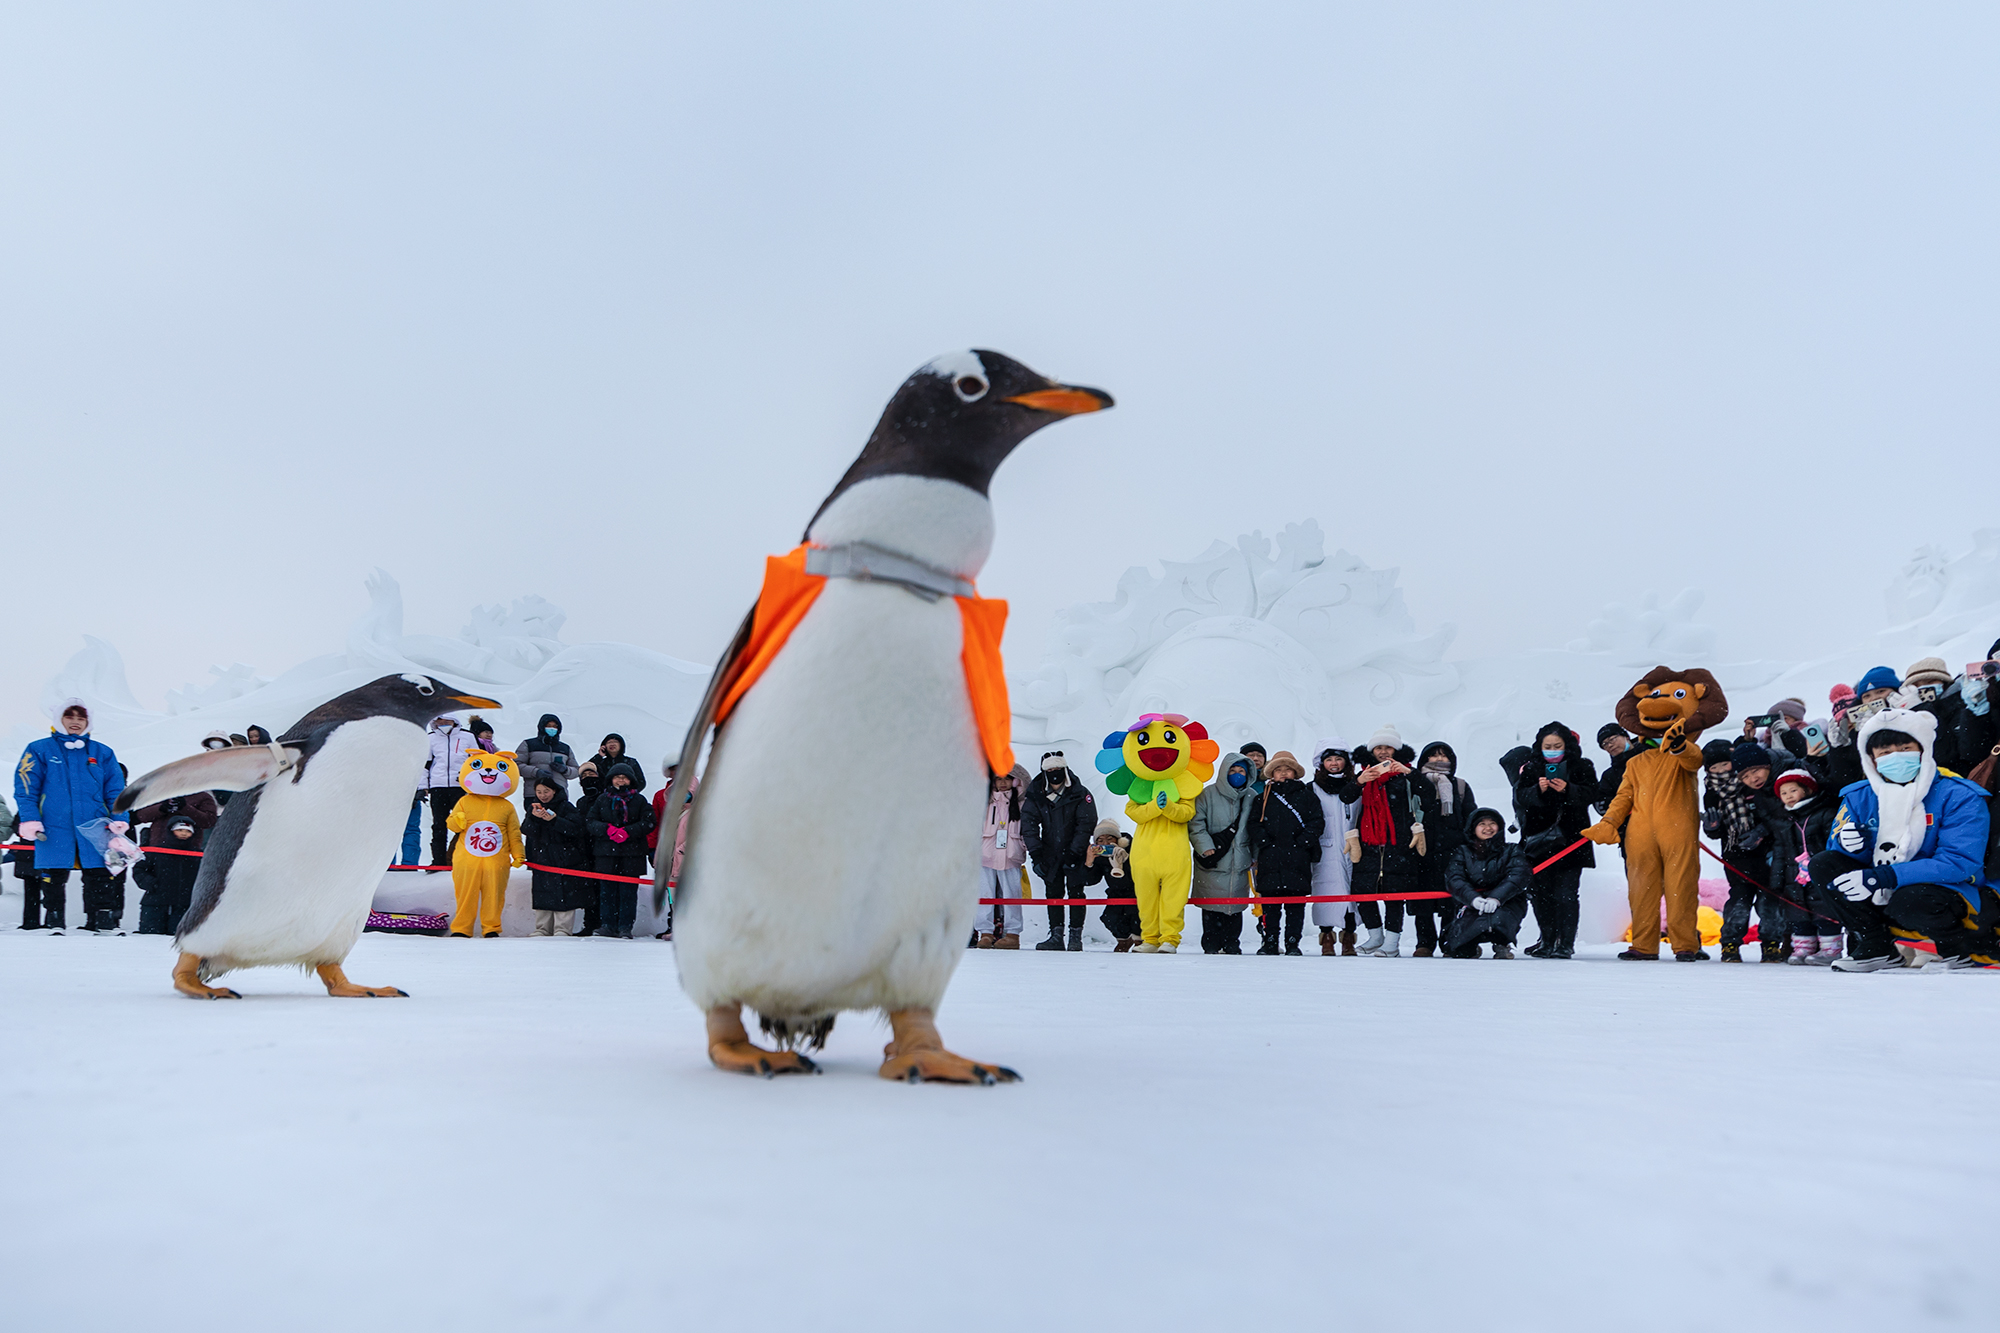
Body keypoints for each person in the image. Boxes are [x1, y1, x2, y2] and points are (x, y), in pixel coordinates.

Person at [1812, 709, 1995, 971]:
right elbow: (1839, 855)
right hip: (1884, 885)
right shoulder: (1859, 797)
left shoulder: (1958, 795)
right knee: (1824, 864)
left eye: (1905, 747)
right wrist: (1853, 845)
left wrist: (1885, 876)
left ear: (1923, 749)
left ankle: (1956, 948)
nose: (1896, 757)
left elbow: (1959, 861)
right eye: (1885, 753)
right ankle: (1876, 945)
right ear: (1871, 759)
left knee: (1909, 898)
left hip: (1947, 889)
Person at [13, 699, 128, 932]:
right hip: (54, 824)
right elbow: (26, 787)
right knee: (54, 873)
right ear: (59, 720)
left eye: (81, 718)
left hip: (95, 824)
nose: (75, 722)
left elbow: (116, 790)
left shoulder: (102, 752)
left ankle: (101, 921)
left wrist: (120, 818)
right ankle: (55, 920)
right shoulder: (39, 749)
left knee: (99, 872)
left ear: (88, 721)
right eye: (69, 717)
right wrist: (30, 818)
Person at [1512, 723, 1597, 960]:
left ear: (1567, 745)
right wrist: (1537, 791)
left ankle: (1565, 943)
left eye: (1556, 746)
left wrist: (1569, 790)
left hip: (1571, 842)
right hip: (1538, 843)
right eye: (1547, 746)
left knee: (1567, 894)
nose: (1551, 750)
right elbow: (1520, 797)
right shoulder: (1531, 768)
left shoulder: (1582, 766)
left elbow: (1592, 793)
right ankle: (1547, 940)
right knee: (1540, 894)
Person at [1339, 724, 1425, 957]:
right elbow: (1345, 797)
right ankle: (1376, 936)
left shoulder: (1406, 774)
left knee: (1394, 895)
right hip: (1368, 843)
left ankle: (1392, 942)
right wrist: (1360, 781)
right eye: (1379, 748)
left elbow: (1426, 793)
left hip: (1398, 842)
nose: (1384, 752)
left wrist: (1409, 773)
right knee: (1364, 891)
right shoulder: (1365, 773)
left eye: (1388, 747)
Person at [1705, 740, 1790, 962]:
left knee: (1769, 901)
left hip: (1768, 853)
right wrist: (1712, 827)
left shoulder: (1753, 783)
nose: (1722, 771)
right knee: (1739, 902)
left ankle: (1772, 943)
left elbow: (1775, 815)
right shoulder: (1712, 793)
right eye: (1714, 768)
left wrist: (1761, 832)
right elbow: (1716, 832)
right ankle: (1730, 944)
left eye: (1725, 765)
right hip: (1736, 855)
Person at [1248, 751, 1323, 955]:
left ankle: (1292, 943)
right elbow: (1253, 823)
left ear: (1295, 772)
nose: (1283, 773)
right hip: (1270, 858)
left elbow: (1317, 822)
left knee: (1295, 905)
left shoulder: (1307, 796)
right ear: (1272, 772)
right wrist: (1264, 841)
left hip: (1298, 857)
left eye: (1287, 769)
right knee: (1270, 905)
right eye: (1278, 769)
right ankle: (1270, 941)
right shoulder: (1262, 797)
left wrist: (1302, 842)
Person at [444, 752, 526, 938]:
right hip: (467, 858)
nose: (488, 771)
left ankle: (491, 927)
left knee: (494, 895)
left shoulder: (507, 806)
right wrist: (458, 819)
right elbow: (452, 825)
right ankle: (461, 928)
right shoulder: (465, 801)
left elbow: (514, 833)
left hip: (496, 859)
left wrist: (518, 854)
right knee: (465, 894)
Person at [1020, 752, 1096, 952]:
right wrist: (1036, 854)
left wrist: (1075, 851)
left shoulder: (1080, 793)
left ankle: (1075, 936)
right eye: (1050, 771)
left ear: (1065, 770)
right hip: (1048, 853)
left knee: (1076, 893)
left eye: (1057, 770)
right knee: (1053, 893)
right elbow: (1028, 825)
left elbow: (1086, 823)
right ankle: (1055, 936)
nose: (1054, 774)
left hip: (1075, 852)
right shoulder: (1036, 793)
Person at [1410, 741, 1478, 957]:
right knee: (1422, 900)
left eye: (1444, 756)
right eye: (1433, 755)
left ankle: (1449, 942)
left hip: (1453, 852)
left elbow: (1471, 818)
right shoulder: (1413, 783)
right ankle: (1425, 943)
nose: (1439, 759)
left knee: (1452, 900)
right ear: (1424, 759)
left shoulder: (1459, 786)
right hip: (1420, 850)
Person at [1771, 769, 1845, 964]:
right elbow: (1779, 850)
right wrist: (1777, 878)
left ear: (1807, 790)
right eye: (1784, 793)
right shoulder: (1785, 820)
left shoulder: (1823, 814)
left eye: (1793, 791)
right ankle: (1803, 947)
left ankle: (1831, 949)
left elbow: (1834, 842)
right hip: (1794, 875)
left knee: (1824, 909)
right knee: (1797, 911)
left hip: (1819, 871)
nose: (1788, 797)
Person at [1191, 752, 1257, 954]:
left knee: (1235, 907)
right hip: (1214, 858)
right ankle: (1210, 943)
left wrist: (1255, 856)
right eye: (1232, 771)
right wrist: (1205, 846)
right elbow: (1196, 824)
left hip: (1240, 860)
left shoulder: (1251, 797)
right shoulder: (1207, 794)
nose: (1237, 775)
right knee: (1211, 906)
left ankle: (1231, 943)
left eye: (1241, 771)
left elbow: (1256, 828)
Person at [1442, 808, 1530, 959]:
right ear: (1473, 828)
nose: (1488, 828)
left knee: (1499, 920)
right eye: (1482, 824)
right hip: (1472, 902)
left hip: (1506, 902)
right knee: (1459, 949)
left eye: (1492, 823)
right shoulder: (1462, 852)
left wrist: (1496, 898)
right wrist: (1473, 899)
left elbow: (1518, 876)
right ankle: (1471, 946)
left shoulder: (1512, 850)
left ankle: (1502, 943)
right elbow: (1455, 879)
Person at [585, 761, 655, 938]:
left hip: (632, 854)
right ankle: (607, 925)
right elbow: (591, 821)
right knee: (606, 891)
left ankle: (625, 927)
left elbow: (649, 822)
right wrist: (607, 829)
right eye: (617, 777)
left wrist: (628, 832)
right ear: (611, 779)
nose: (621, 781)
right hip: (606, 854)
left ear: (631, 780)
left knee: (628, 893)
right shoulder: (602, 799)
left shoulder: (639, 800)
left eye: (624, 777)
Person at [522, 770, 590, 936]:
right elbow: (526, 830)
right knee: (542, 893)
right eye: (539, 792)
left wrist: (555, 820)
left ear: (554, 791)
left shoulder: (567, 807)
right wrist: (535, 818)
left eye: (546, 791)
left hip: (564, 858)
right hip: (541, 858)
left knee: (565, 894)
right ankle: (542, 928)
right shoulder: (534, 808)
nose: (543, 795)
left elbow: (577, 829)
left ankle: (562, 929)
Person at [1309, 744, 1357, 955]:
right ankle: (1326, 936)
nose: (1334, 764)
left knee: (1351, 895)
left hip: (1352, 847)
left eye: (1338, 759)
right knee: (1326, 892)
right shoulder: (1312, 788)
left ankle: (1349, 937)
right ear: (1322, 763)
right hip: (1324, 848)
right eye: (1329, 760)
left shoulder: (1356, 786)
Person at [981, 764, 1031, 950]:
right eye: (999, 779)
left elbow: (1028, 830)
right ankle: (985, 933)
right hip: (985, 854)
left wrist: (1026, 847)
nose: (1003, 783)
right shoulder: (984, 802)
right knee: (984, 894)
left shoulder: (1022, 804)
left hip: (1012, 854)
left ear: (1015, 780)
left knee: (1012, 895)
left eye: (1007, 779)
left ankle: (1012, 934)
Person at [422, 713, 479, 869]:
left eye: (447, 721)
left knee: (463, 824)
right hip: (438, 785)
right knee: (439, 825)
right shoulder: (430, 738)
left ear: (454, 721)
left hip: (460, 787)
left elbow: (475, 762)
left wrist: (472, 783)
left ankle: (460, 858)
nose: (444, 724)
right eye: (440, 721)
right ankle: (438, 861)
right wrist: (423, 786)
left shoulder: (467, 737)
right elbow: (425, 764)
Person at [132, 816, 203, 935]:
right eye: (180, 830)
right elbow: (139, 869)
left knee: (178, 937)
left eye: (188, 831)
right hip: (155, 903)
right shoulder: (156, 851)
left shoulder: (198, 855)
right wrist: (149, 882)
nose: (184, 834)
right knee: (149, 937)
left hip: (184, 905)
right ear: (171, 831)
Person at [1081, 820, 1138, 950]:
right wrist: (1089, 862)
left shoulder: (1132, 848)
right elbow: (1090, 881)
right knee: (1110, 918)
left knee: (1136, 917)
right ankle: (1123, 940)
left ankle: (1139, 940)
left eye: (1109, 838)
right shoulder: (1101, 856)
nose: (1105, 843)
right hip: (1115, 892)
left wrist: (1122, 858)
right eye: (1100, 840)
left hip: (1137, 891)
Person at [513, 713, 581, 789]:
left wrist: (565, 770)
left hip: (559, 794)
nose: (552, 728)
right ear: (542, 727)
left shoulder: (565, 748)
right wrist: (536, 772)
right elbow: (516, 766)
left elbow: (577, 770)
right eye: (548, 726)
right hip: (534, 793)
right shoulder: (528, 744)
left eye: (555, 726)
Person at [578, 734, 645, 808]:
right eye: (609, 742)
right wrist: (599, 756)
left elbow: (641, 782)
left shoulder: (631, 762)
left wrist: (628, 794)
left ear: (621, 745)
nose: (612, 744)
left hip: (627, 800)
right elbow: (587, 770)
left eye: (615, 742)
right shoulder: (600, 763)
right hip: (604, 801)